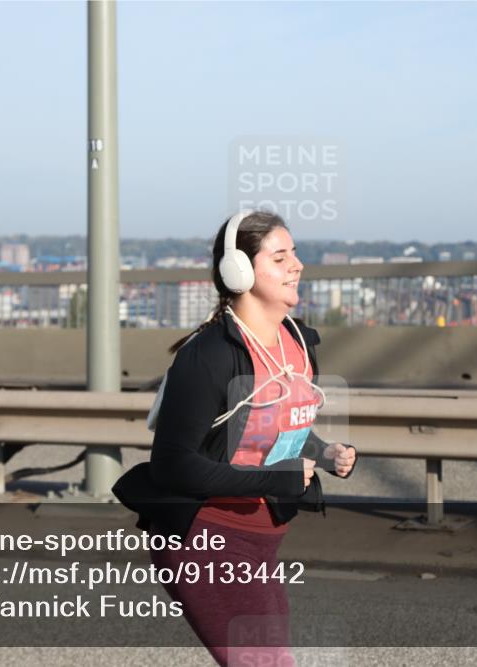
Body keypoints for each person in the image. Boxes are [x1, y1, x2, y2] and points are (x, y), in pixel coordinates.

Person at [113, 209, 357, 666]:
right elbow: (173, 464)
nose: (297, 266)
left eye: (295, 254)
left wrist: (325, 452)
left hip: (262, 540)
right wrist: (276, 480)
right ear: (239, 271)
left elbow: (274, 425)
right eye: (280, 257)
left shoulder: (297, 342)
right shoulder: (208, 356)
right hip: (206, 540)